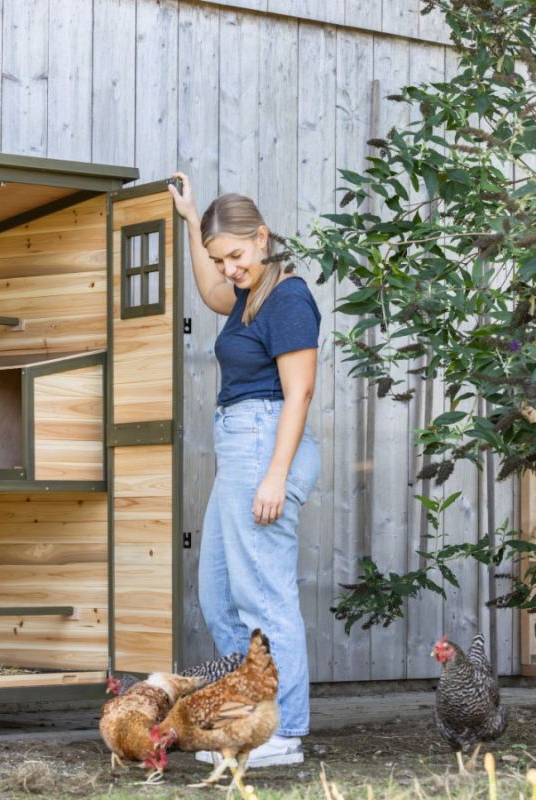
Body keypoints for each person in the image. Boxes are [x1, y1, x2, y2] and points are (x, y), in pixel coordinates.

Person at [169, 173, 322, 768]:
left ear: (262, 238)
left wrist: (276, 475)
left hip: (265, 444)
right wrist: (190, 221)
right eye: (219, 258)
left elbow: (300, 393)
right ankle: (245, 719)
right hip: (241, 447)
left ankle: (281, 732)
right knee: (219, 594)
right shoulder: (248, 295)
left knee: (264, 596)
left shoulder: (287, 297)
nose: (228, 268)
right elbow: (211, 294)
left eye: (235, 254)